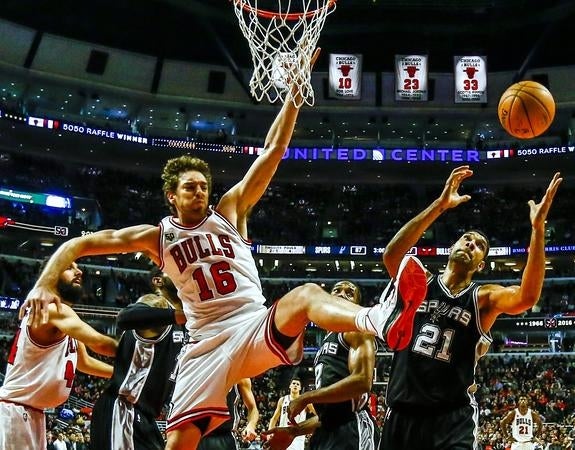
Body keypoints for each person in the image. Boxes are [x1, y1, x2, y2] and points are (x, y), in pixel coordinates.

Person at [21, 48, 428, 450]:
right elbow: (81, 242)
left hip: (250, 324)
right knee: (179, 443)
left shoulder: (229, 210)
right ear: (171, 197)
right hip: (203, 345)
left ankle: (379, 318)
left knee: (303, 296)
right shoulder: (156, 236)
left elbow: (272, 151)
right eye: (190, 187)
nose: (200, 190)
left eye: (203, 185)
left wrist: (294, 95)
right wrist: (44, 283)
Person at [378, 166, 562, 450]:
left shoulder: (483, 297)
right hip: (402, 412)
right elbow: (392, 255)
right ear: (452, 246)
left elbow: (526, 297)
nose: (471, 244)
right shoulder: (419, 282)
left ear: (481, 265)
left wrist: (538, 231)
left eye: (479, 246)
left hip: (452, 420)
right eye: (467, 239)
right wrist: (439, 206)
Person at [0, 261, 117, 450]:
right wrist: (138, 354)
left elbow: (84, 362)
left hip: (31, 412)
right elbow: (99, 343)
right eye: (69, 267)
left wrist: (122, 372)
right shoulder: (52, 310)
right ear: (51, 274)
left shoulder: (63, 316)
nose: (79, 271)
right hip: (16, 410)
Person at [264, 281, 379, 450]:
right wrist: (295, 431)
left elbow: (362, 381)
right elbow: (329, 416)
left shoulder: (356, 330)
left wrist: (307, 397)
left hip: (352, 428)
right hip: (327, 431)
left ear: (356, 304)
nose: (342, 294)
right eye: (337, 291)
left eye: (349, 293)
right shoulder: (325, 344)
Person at [89, 268, 187, 450]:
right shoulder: (158, 303)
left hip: (146, 417)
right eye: (174, 272)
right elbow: (125, 317)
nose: (183, 275)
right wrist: (181, 315)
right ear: (158, 281)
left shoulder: (184, 324)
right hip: (124, 409)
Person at [197, 378, 259, 450]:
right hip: (198, 435)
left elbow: (253, 408)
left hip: (225, 435)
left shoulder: (241, 376)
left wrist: (251, 425)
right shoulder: (197, 372)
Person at [267, 377, 316, 450]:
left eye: (297, 384)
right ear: (290, 386)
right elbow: (274, 418)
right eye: (293, 383)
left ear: (300, 388)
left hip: (297, 438)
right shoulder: (282, 400)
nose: (295, 385)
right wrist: (269, 432)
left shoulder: (305, 401)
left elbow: (317, 414)